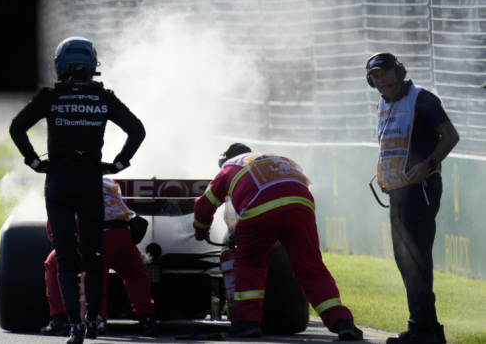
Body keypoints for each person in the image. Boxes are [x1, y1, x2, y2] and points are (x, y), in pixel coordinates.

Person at [9, 36, 146, 344]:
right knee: (93, 254)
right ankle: (93, 319)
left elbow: (17, 127)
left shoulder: (50, 96)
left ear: (60, 66)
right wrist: (119, 163)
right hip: (89, 182)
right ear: (93, 66)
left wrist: (33, 161)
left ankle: (73, 326)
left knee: (66, 256)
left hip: (58, 182)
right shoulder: (105, 98)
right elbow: (137, 130)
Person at [192, 143, 363, 340]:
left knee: (249, 264)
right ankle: (342, 322)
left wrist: (201, 230)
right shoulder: (274, 158)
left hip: (259, 207)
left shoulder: (229, 166)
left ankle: (248, 323)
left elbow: (203, 205)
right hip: (301, 205)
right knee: (311, 268)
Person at [366, 53, 459, 344]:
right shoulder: (383, 103)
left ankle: (421, 328)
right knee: (405, 259)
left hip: (420, 189)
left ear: (400, 71)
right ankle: (429, 329)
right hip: (398, 191)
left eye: (383, 74)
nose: (379, 81)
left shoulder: (422, 99)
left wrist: (428, 164)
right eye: (374, 77)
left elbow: (451, 135)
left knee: (415, 258)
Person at [40, 178, 158, 338]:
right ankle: (147, 320)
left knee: (53, 265)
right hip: (118, 238)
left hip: (83, 241)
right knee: (135, 272)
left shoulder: (64, 182)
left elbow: (54, 227)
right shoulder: (110, 182)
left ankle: (60, 320)